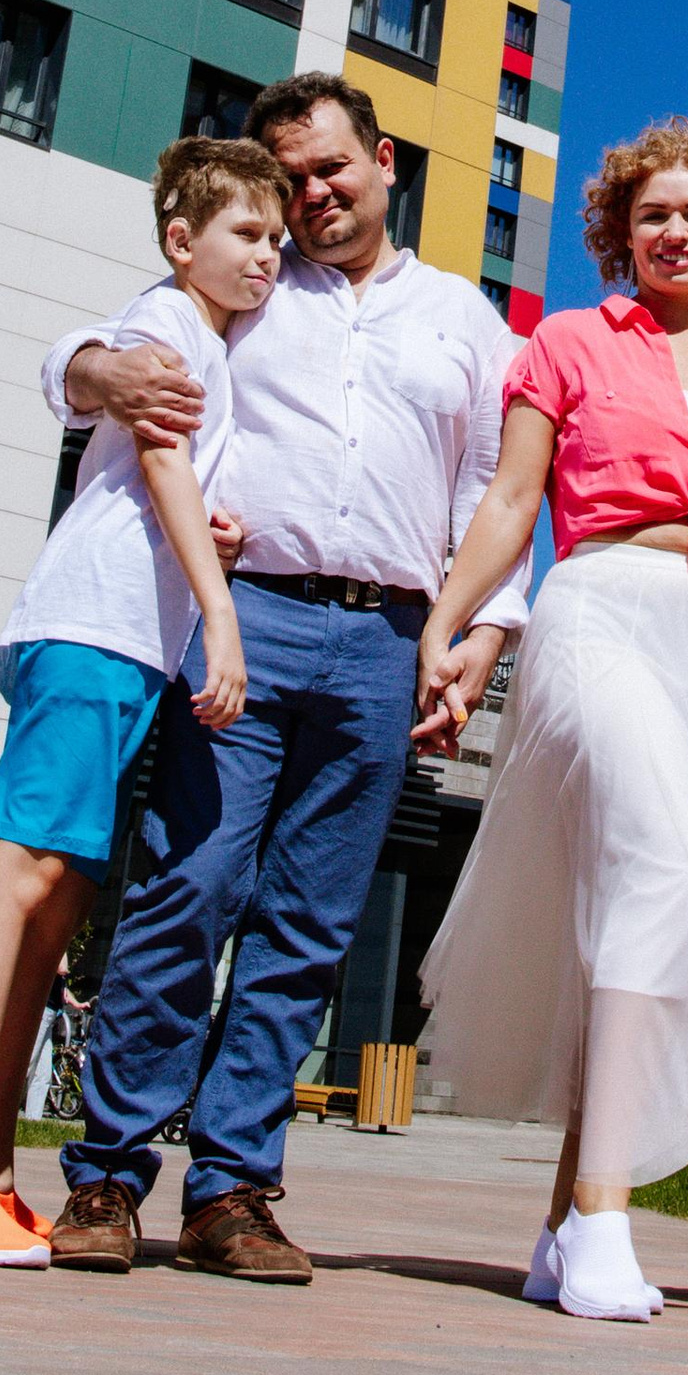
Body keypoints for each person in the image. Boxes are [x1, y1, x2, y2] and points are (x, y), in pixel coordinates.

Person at [32, 77, 524, 1281]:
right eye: (291, 179)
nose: (311, 196)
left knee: (307, 925)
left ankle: (233, 1191)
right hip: (246, 623)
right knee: (189, 887)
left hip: (388, 641)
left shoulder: (465, 319)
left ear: (385, 162)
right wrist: (92, 368)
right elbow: (93, 357)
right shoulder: (246, 285)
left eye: (331, 170)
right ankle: (107, 1175)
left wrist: (481, 636)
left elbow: (491, 491)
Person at [412, 122, 688, 1321]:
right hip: (601, 610)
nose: (676, 232)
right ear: (620, 234)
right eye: (652, 215)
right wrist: (448, 620)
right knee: (666, 872)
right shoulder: (568, 343)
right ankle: (607, 1221)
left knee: (662, 904)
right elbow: (512, 497)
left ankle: (563, 1227)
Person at [0, 135, 285, 1267]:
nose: (265, 256)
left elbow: (163, 483)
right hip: (92, 631)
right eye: (246, 233)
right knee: (20, 872)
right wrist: (221, 614)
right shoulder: (164, 325)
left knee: (57, 896)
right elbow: (157, 464)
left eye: (275, 239)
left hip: (124, 645)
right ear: (181, 240)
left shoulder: (203, 339)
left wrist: (210, 536)